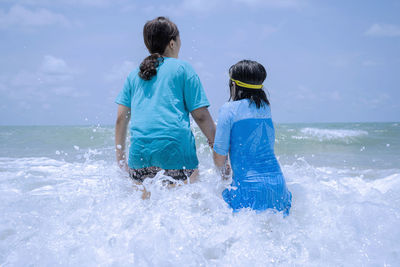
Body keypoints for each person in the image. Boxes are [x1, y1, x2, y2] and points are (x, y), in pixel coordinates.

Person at [115, 17, 215, 190]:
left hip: (140, 154)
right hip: (175, 151)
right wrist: (217, 144)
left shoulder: (134, 75)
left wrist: (120, 158)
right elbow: (200, 115)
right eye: (179, 39)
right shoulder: (183, 69)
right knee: (185, 208)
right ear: (172, 43)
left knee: (144, 209)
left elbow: (121, 119)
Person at [213, 60, 292, 215]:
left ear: (234, 85)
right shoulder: (265, 107)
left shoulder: (228, 110)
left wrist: (223, 172)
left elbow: (219, 157)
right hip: (278, 186)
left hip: (248, 188)